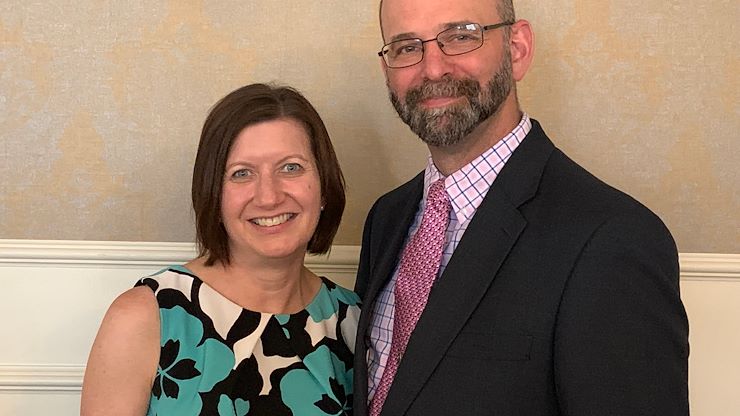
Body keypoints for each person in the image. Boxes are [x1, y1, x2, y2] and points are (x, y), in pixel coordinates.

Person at [353, 0, 689, 415]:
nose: (433, 68)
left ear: (517, 48)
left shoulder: (613, 239)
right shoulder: (386, 219)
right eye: (406, 47)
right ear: (387, 68)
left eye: (460, 36)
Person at [81, 83, 360, 416]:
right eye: (242, 173)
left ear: (324, 187)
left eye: (291, 168)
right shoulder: (148, 316)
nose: (269, 196)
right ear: (214, 194)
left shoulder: (353, 320)